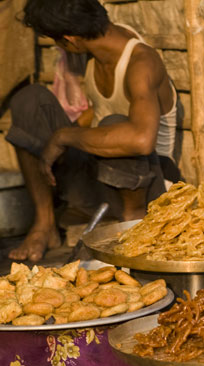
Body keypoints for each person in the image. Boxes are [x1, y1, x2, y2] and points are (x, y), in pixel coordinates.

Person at [6, 0, 180, 262]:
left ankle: (133, 229)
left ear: (70, 40)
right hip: (103, 182)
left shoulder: (141, 62)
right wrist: (58, 140)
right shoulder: (95, 54)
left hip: (150, 193)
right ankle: (45, 224)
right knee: (30, 99)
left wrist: (63, 136)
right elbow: (95, 115)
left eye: (58, 43)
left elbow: (141, 141)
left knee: (115, 125)